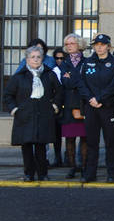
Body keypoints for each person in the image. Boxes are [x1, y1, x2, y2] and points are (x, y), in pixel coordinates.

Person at [4, 46, 62, 181]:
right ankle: (28, 173)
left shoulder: (49, 74)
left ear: (42, 59)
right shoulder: (19, 76)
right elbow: (8, 95)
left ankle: (43, 173)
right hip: (25, 115)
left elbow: (59, 92)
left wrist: (54, 106)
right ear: (27, 59)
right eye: (32, 57)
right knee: (27, 145)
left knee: (41, 145)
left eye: (38, 57)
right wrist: (14, 109)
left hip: (43, 114)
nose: (35, 60)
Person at [78, 34, 114, 183]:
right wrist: (90, 99)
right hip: (91, 107)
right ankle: (90, 173)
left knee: (111, 142)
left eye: (102, 45)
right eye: (97, 45)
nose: (99, 47)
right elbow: (81, 83)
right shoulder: (87, 62)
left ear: (108, 46)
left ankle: (111, 173)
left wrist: (100, 98)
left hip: (108, 107)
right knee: (91, 142)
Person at [59, 33, 89, 179]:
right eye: (67, 44)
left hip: (84, 103)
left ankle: (84, 167)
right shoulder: (64, 63)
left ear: (79, 45)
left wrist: (73, 77)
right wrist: (78, 80)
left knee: (85, 138)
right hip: (69, 104)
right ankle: (72, 167)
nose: (69, 46)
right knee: (70, 138)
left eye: (72, 43)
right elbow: (66, 83)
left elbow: (87, 81)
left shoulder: (88, 61)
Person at [50, 48, 67, 168]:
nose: (60, 60)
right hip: (57, 104)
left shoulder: (69, 69)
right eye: (57, 58)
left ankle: (69, 157)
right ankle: (57, 157)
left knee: (71, 133)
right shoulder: (53, 71)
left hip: (69, 103)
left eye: (62, 58)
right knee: (56, 133)